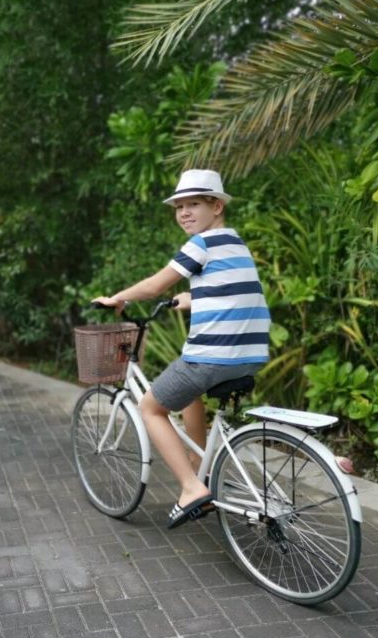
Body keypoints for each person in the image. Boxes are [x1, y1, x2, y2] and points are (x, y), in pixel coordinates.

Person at [93, 168, 270, 528]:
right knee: (191, 393)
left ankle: (191, 488)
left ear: (217, 206)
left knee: (150, 408)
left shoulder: (200, 244)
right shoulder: (234, 242)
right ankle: (197, 466)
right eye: (179, 207)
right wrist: (190, 299)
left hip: (212, 356)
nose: (184, 213)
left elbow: (156, 285)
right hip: (249, 356)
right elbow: (228, 287)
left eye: (194, 205)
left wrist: (117, 298)